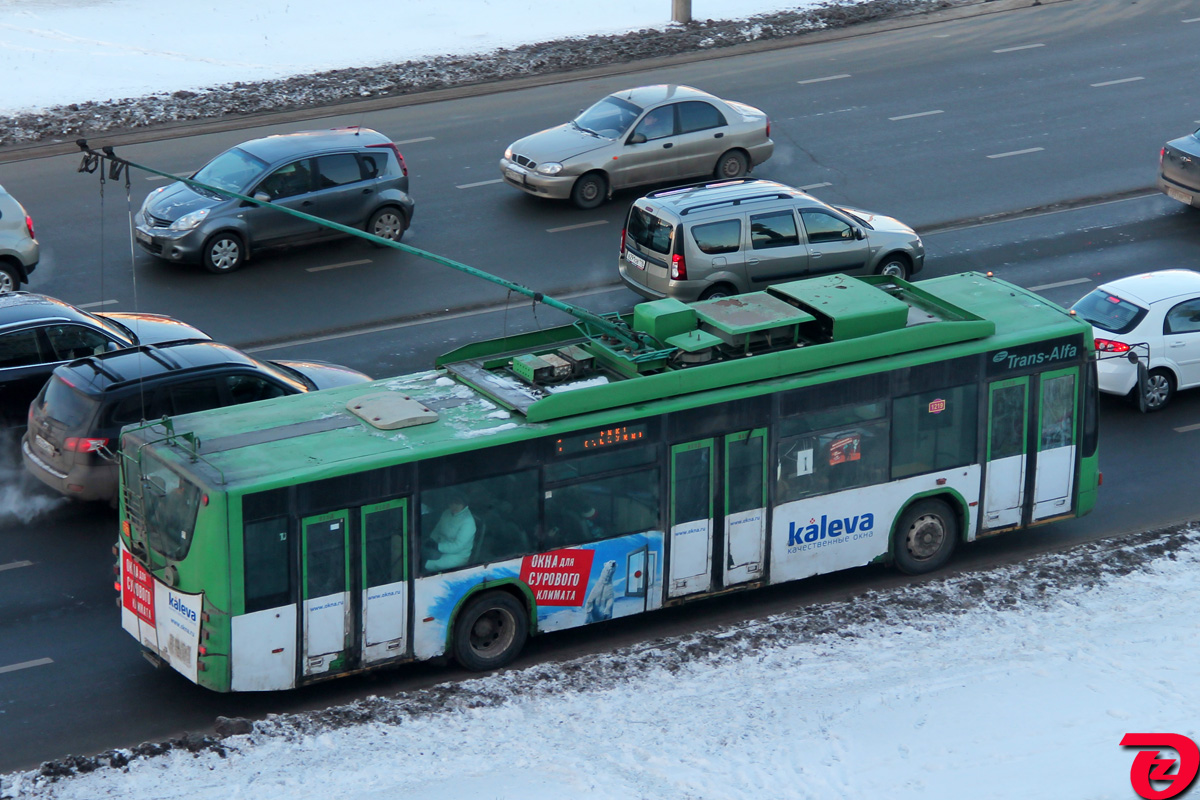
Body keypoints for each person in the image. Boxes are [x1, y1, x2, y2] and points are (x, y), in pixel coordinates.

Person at [423, 493, 476, 572]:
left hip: (456, 556)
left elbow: (457, 546)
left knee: (426, 564)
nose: (454, 506)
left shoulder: (468, 522)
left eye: (458, 504)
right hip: (439, 547)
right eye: (452, 503)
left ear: (464, 504)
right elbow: (438, 529)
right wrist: (432, 539)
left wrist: (438, 547)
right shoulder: (446, 513)